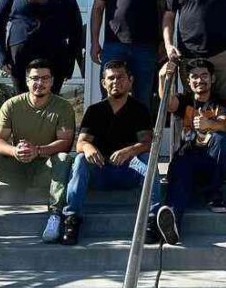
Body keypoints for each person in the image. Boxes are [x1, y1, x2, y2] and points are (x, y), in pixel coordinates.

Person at [0, 59, 75, 244]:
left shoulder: (63, 107)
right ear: (27, 80)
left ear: (52, 81)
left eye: (45, 78)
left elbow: (66, 142)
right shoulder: (11, 105)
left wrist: (38, 150)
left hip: (46, 167)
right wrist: (15, 151)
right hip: (17, 165)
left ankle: (55, 216)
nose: (40, 83)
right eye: (35, 78)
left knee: (63, 158)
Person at [59, 60, 156, 246]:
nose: (115, 82)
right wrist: (88, 148)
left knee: (146, 159)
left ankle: (152, 219)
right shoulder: (95, 111)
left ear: (130, 81)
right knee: (80, 160)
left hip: (129, 171)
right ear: (104, 83)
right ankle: (71, 219)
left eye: (120, 77)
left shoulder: (139, 109)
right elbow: (81, 143)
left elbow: (147, 142)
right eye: (110, 78)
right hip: (101, 171)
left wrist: (130, 150)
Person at [155, 58, 226, 244]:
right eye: (194, 77)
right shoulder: (184, 100)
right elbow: (167, 103)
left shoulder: (221, 104)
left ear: (213, 78)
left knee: (222, 139)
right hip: (187, 160)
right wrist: (161, 77)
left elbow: (224, 125)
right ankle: (172, 224)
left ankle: (214, 193)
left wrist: (209, 124)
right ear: (189, 82)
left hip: (211, 163)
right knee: (181, 165)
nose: (200, 80)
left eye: (204, 75)